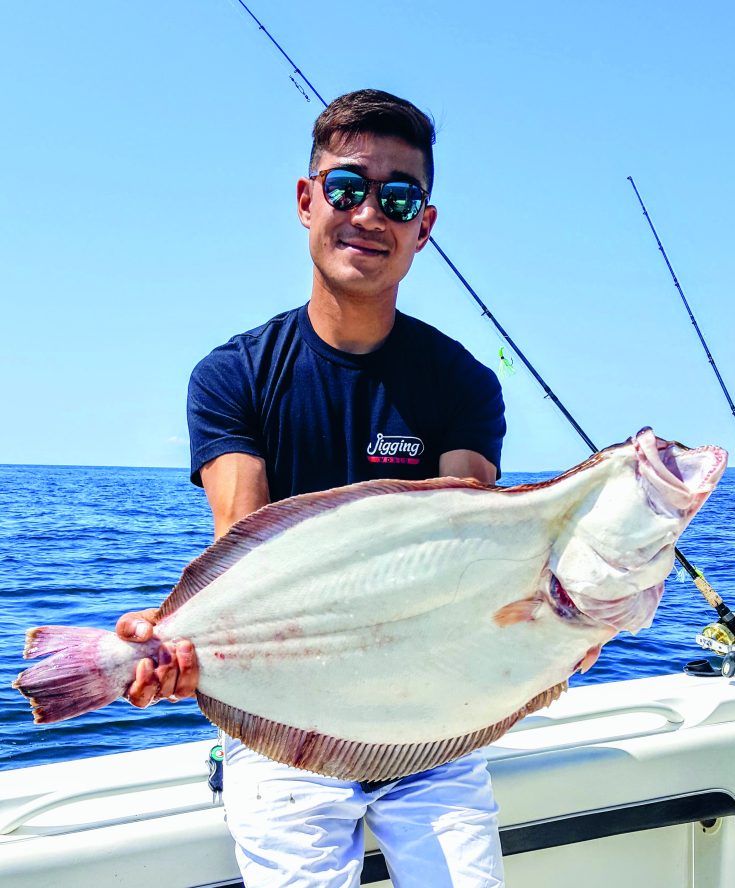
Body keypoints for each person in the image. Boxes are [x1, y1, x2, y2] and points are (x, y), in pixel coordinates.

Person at [117, 88, 507, 887]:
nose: (370, 213)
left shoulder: (463, 383)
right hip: (280, 725)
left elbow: (468, 558)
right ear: (306, 201)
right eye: (347, 188)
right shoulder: (232, 376)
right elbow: (243, 549)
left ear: (423, 227)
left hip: (430, 724)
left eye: (399, 197)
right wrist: (175, 639)